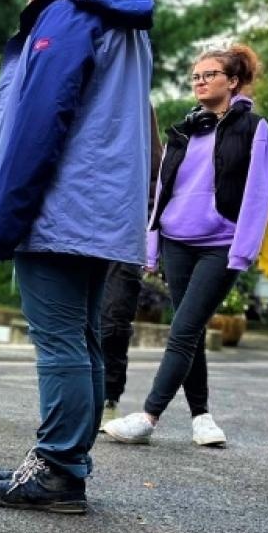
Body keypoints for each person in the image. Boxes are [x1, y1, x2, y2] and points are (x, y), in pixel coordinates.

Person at [0, 0, 154, 514]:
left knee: (60, 341)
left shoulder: (70, 15)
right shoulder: (126, 21)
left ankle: (56, 468)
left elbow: (37, 125)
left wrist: (2, 221)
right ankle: (68, 463)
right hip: (104, 207)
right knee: (82, 337)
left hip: (61, 206)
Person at [104, 45, 268, 448]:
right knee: (191, 330)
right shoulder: (185, 129)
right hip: (177, 242)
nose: (200, 82)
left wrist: (244, 250)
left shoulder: (254, 128)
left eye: (210, 74)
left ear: (232, 81)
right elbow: (163, 189)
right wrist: (152, 243)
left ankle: (148, 415)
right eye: (196, 76)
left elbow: (258, 193)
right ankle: (201, 417)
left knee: (182, 330)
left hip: (221, 246)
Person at [98, 104, 163, 425]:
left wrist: (150, 227)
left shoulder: (137, 100)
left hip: (126, 229)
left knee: (114, 318)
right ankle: (72, 401)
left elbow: (155, 172)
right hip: (77, 222)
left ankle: (108, 397)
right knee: (73, 320)